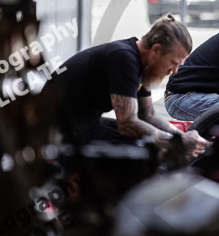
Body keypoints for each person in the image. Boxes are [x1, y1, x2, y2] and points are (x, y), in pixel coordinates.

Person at [48, 14, 209, 157]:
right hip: (55, 128)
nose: (174, 71)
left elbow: (148, 115)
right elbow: (127, 124)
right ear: (156, 50)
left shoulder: (142, 66)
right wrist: (176, 143)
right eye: (173, 63)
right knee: (144, 153)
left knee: (152, 144)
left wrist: (180, 136)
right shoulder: (124, 58)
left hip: (82, 122)